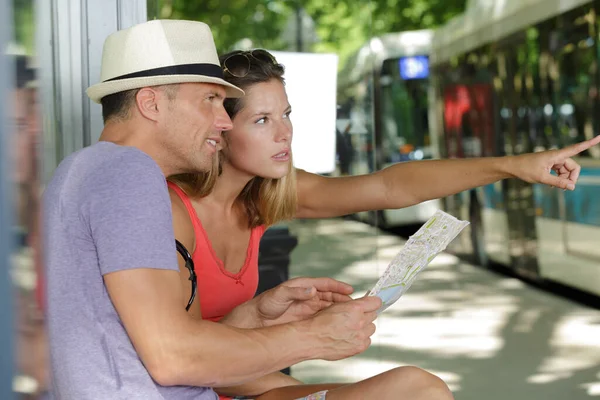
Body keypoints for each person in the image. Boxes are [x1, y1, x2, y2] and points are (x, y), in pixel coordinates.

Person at [43, 20, 452, 400]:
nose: (223, 123)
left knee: (414, 388)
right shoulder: (129, 172)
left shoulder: (80, 173)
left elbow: (147, 345)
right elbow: (173, 358)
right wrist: (313, 337)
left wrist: (254, 315)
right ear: (150, 103)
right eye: (210, 100)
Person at [167, 49, 600, 399]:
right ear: (220, 130)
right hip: (204, 388)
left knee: (420, 389)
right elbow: (185, 360)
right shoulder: (172, 211)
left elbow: (390, 188)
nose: (285, 133)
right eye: (262, 120)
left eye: (286, 114)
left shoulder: (260, 198)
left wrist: (515, 166)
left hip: (249, 384)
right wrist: (302, 347)